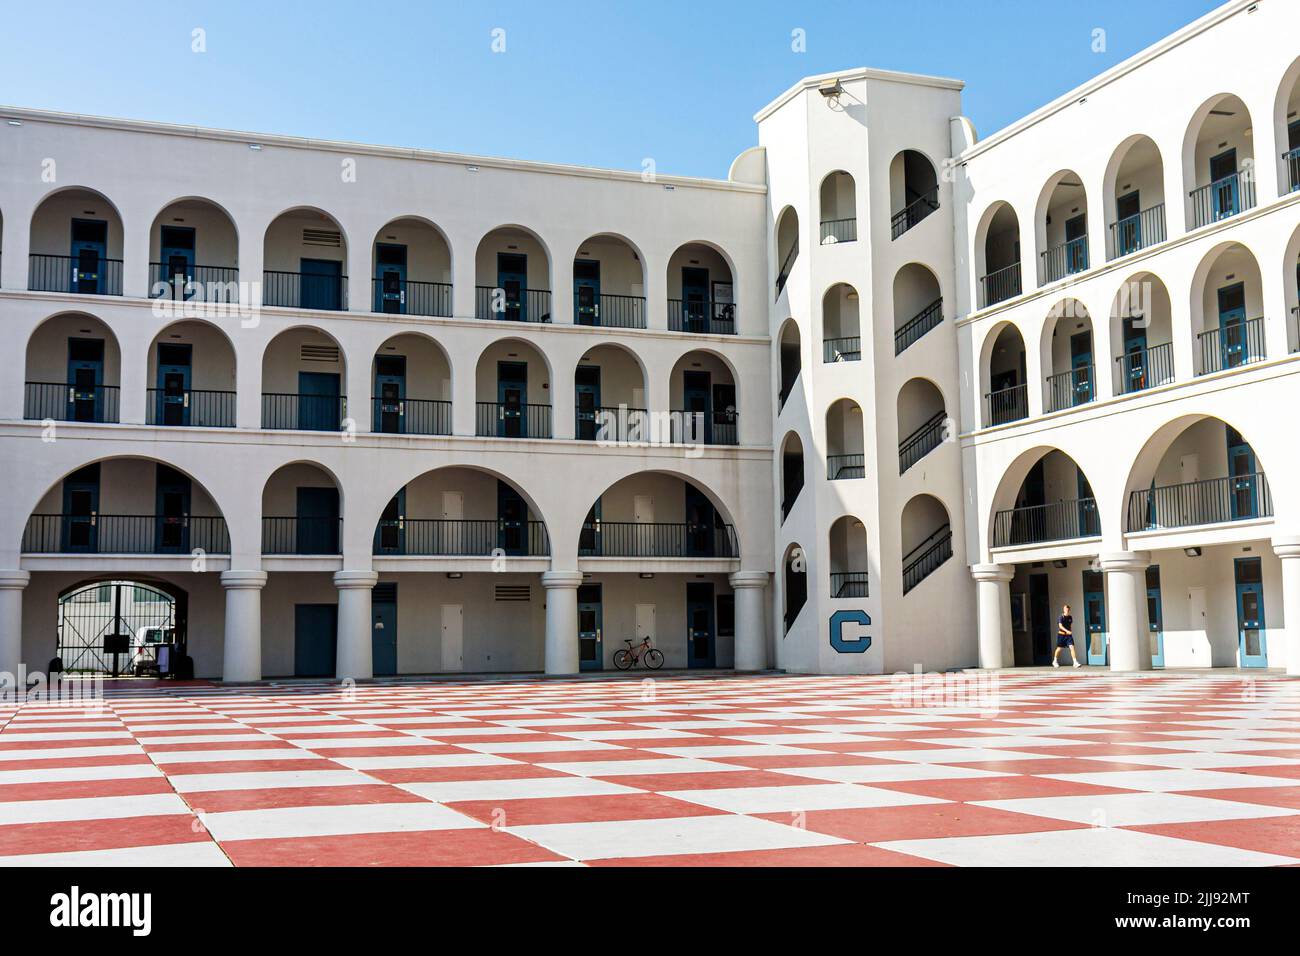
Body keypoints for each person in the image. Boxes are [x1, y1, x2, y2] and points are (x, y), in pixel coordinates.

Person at [1052, 603, 1081, 668]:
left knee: (1072, 647)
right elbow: (1060, 626)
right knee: (1059, 648)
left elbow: (1070, 625)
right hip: (1061, 635)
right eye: (1065, 609)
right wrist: (1066, 631)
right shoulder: (1061, 617)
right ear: (1064, 610)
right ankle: (1055, 661)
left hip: (1068, 636)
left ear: (1069, 610)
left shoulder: (1070, 617)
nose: (1066, 611)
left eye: (1068, 610)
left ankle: (1075, 662)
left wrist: (1070, 631)